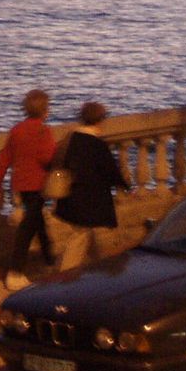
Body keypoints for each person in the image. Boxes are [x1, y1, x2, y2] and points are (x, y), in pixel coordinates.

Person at [53, 101, 131, 271]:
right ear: (100, 120)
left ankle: (96, 265)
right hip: (89, 198)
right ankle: (65, 272)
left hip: (72, 195)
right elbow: (110, 170)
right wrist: (124, 185)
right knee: (82, 235)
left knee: (85, 232)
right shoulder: (97, 144)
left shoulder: (71, 139)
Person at [0, 88, 57, 289]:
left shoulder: (17, 130)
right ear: (44, 110)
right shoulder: (43, 131)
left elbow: (4, 159)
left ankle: (50, 260)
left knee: (38, 222)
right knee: (28, 228)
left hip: (20, 184)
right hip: (38, 185)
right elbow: (47, 158)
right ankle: (15, 271)